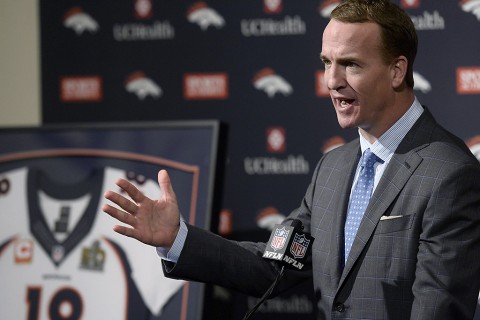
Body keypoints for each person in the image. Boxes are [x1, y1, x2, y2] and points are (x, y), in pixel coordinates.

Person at [102, 0, 480, 319]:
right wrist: (178, 239)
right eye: (326, 62)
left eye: (350, 64)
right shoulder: (333, 168)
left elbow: (438, 310)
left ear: (397, 70)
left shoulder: (449, 173)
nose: (331, 81)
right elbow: (276, 264)